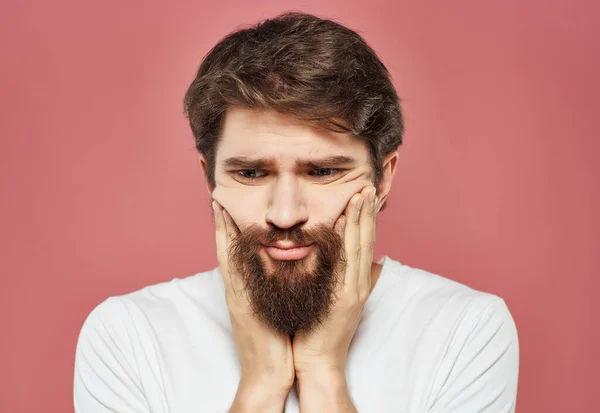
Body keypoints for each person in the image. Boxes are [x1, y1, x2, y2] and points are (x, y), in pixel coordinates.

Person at [73, 11, 519, 413]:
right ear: (211, 180)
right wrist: (261, 385)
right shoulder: (128, 337)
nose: (285, 215)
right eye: (250, 173)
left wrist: (323, 376)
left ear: (382, 179)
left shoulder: (465, 331)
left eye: (323, 171)